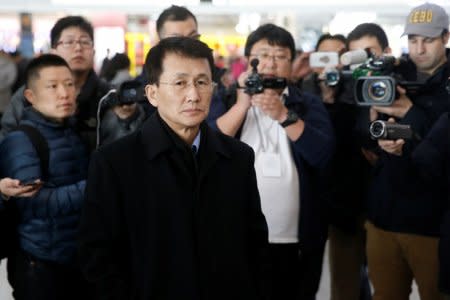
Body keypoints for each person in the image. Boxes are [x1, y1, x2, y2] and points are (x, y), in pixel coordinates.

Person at [78, 37, 269, 300]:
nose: (193, 94)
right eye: (180, 83)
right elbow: (97, 256)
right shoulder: (115, 163)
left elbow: (255, 243)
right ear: (152, 94)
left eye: (202, 82)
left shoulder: (238, 157)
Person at [214, 23, 334, 300]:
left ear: (291, 65)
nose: (270, 63)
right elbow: (207, 146)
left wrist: (283, 115)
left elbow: (322, 155)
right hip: (237, 237)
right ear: (247, 61)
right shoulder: (227, 98)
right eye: (263, 55)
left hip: (298, 238)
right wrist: (242, 104)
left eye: (280, 56)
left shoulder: (308, 104)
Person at [364, 3, 449, 300]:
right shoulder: (392, 74)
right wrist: (373, 120)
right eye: (413, 40)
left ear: (446, 38)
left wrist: (409, 111)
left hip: (432, 223)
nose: (419, 48)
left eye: (428, 40)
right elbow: (362, 133)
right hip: (383, 216)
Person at [0, 54, 90, 300]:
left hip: (77, 260)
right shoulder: (20, 140)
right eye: (52, 86)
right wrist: (96, 187)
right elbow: (36, 203)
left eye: (69, 84)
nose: (64, 93)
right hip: (40, 264)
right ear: (30, 96)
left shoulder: (75, 131)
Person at [301, 32, 372, 300]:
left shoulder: (356, 89)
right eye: (323, 57)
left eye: (336, 57)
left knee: (350, 277)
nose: (329, 64)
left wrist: (332, 96)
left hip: (350, 198)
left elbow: (348, 141)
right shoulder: (303, 89)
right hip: (315, 198)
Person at [0, 16, 110, 151]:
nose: (78, 48)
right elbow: (7, 138)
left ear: (93, 51)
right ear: (53, 51)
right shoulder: (31, 94)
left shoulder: (107, 95)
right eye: (69, 42)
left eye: (85, 42)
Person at [0, 51, 18, 119]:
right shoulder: (10, 64)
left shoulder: (10, 64)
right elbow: (12, 79)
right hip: (5, 93)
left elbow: (11, 79)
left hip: (5, 94)